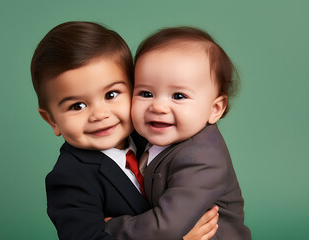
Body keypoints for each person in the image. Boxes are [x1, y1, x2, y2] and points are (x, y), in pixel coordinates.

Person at [31, 21, 218, 240]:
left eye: (111, 94)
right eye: (77, 106)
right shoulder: (70, 179)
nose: (99, 114)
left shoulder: (152, 136)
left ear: (136, 87)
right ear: (52, 120)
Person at [105, 27, 252, 239]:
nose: (159, 107)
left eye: (179, 96)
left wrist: (111, 228)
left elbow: (167, 225)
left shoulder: (203, 159)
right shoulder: (150, 137)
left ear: (215, 109)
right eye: (146, 93)